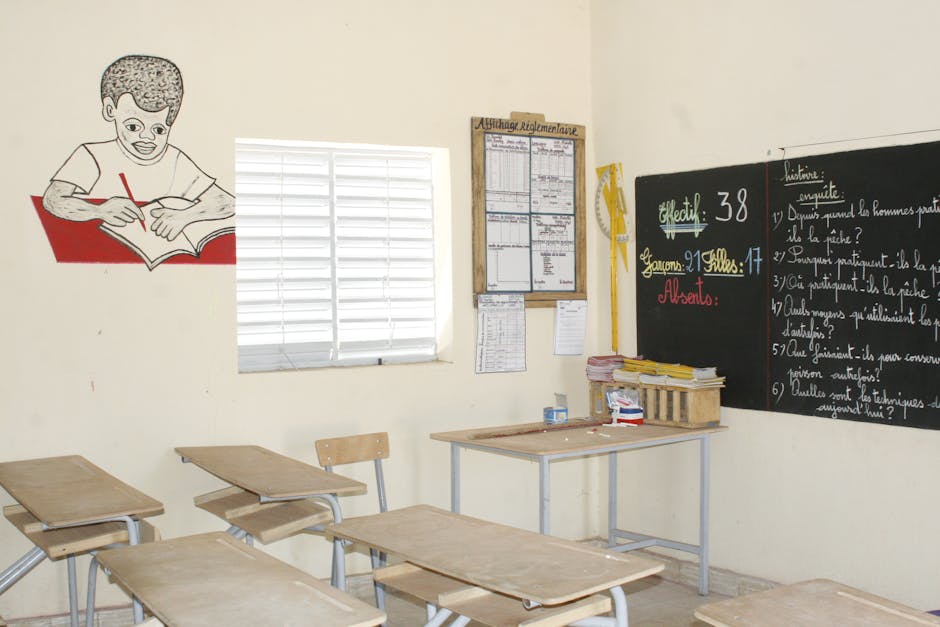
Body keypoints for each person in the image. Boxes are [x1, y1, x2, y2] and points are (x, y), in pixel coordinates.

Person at [42, 54, 233, 242]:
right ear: (110, 110)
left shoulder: (175, 160)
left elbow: (226, 203)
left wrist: (184, 216)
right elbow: (53, 200)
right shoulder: (93, 156)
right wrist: (98, 210)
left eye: (159, 130)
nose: (147, 137)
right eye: (133, 127)